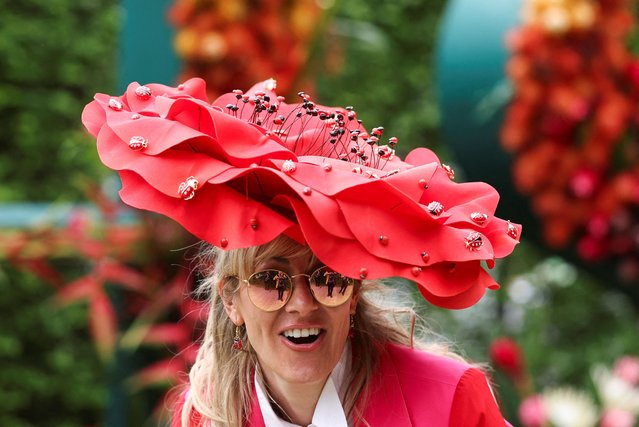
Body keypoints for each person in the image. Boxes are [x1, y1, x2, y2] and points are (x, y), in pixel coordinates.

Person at [82, 78, 521, 426]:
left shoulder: (449, 399)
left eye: (328, 278)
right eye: (271, 281)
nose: (302, 304)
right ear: (231, 298)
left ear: (354, 295)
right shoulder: (203, 416)